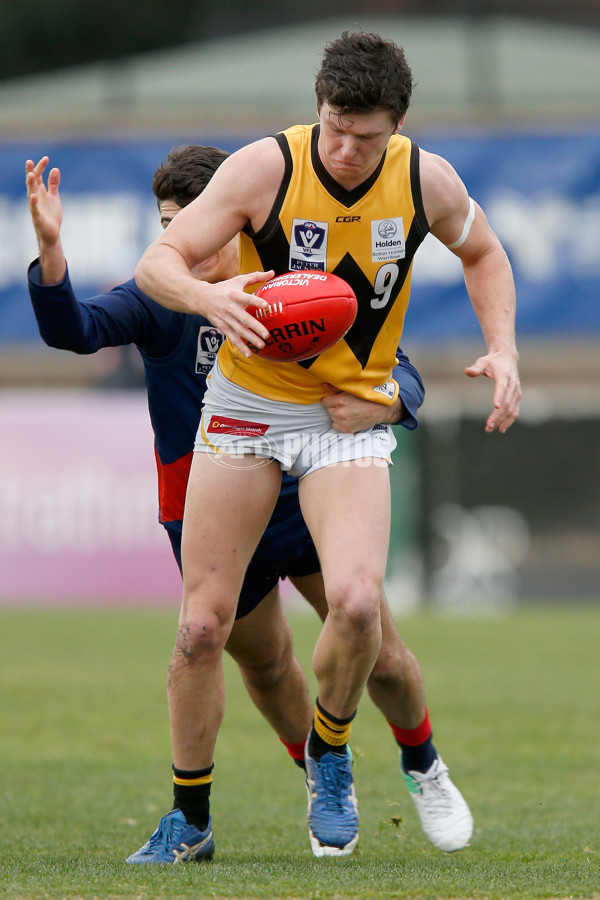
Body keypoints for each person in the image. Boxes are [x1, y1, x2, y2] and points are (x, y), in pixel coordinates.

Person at [26, 143, 472, 862]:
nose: (183, 244)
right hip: (208, 503)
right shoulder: (158, 298)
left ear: (234, 222)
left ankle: (423, 761)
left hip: (306, 495)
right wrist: (51, 253)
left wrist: (389, 404)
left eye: (192, 224)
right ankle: (289, 790)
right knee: (244, 656)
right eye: (168, 223)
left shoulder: (299, 288)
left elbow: (397, 370)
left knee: (380, 650)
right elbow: (72, 331)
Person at [134, 30, 517, 861]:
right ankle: (190, 823)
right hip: (245, 405)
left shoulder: (426, 180)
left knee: (354, 605)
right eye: (335, 125)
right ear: (318, 106)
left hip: (348, 416)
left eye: (366, 134)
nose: (346, 148)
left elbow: (485, 253)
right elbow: (157, 263)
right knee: (202, 628)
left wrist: (506, 348)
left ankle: (333, 754)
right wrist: (206, 296)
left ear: (399, 127)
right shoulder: (265, 169)